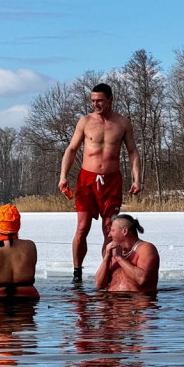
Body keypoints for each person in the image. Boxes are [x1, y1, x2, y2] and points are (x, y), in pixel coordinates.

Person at [59, 82, 142, 283]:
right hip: (87, 180)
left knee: (109, 230)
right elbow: (71, 149)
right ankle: (77, 273)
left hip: (111, 181)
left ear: (110, 99)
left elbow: (133, 151)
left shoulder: (122, 123)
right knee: (82, 228)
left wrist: (137, 178)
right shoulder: (85, 122)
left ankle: (108, 272)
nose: (95, 104)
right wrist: (63, 176)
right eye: (93, 101)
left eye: (100, 101)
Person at [94, 213, 159, 294]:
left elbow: (141, 279)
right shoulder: (114, 251)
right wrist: (106, 258)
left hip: (137, 301)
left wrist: (119, 258)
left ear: (125, 231)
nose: (109, 235)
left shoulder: (146, 248)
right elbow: (99, 284)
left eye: (112, 230)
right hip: (113, 302)